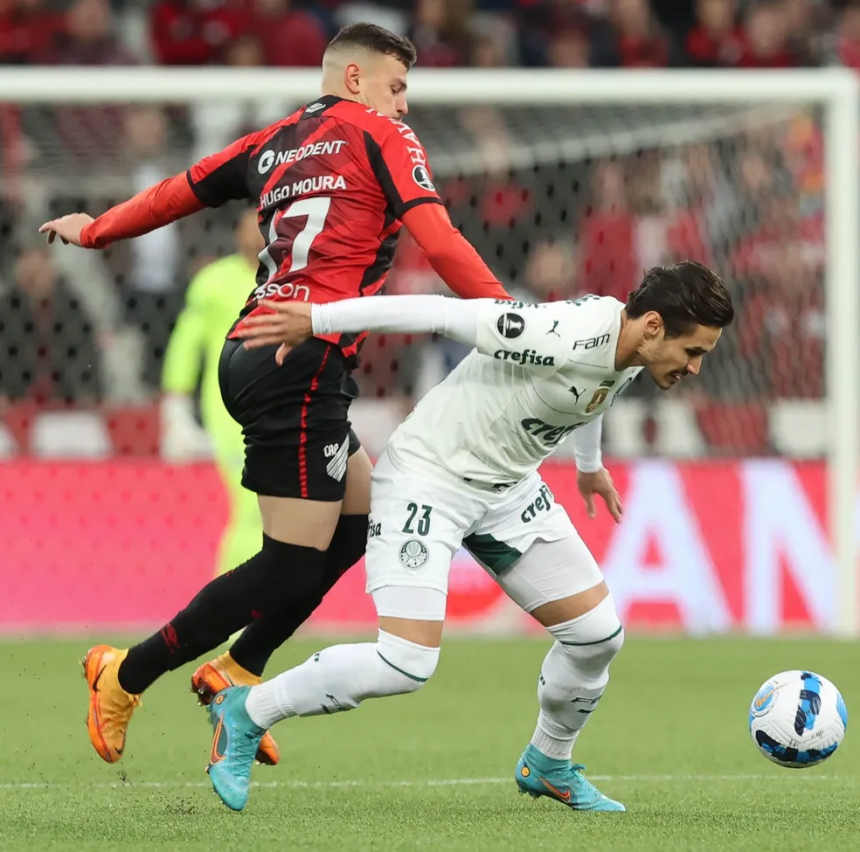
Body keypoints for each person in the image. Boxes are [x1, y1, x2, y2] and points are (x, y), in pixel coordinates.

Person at [39, 22, 510, 767]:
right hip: (299, 361)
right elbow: (442, 241)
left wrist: (97, 230)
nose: (405, 104)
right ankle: (124, 674)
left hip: (261, 349)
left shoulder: (274, 141)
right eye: (397, 86)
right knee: (290, 564)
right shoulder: (383, 136)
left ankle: (234, 670)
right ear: (356, 80)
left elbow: (176, 192)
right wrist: (512, 322)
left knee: (359, 524)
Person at [204, 261, 734, 812]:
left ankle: (548, 761)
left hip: (506, 489)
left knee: (597, 636)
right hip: (429, 480)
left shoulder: (629, 344)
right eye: (693, 351)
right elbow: (436, 312)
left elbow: (600, 385)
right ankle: (247, 711)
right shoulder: (557, 335)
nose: (695, 367)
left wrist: (588, 463)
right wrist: (318, 318)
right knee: (406, 662)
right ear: (653, 326)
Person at [160, 207, 264, 578]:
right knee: (254, 505)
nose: (258, 234)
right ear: (237, 234)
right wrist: (175, 403)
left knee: (272, 508)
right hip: (231, 411)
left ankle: (245, 601)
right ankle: (235, 602)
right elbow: (186, 344)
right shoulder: (213, 283)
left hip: (283, 406)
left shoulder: (294, 281)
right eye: (250, 226)